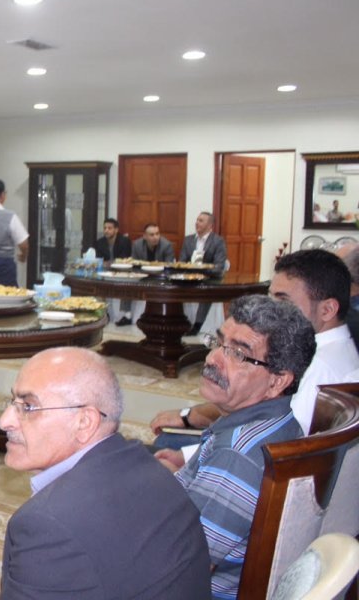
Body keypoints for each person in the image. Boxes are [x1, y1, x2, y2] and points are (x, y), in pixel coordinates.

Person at [0, 347, 210, 600]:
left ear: (84, 422)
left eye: (28, 407)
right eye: (13, 402)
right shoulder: (152, 467)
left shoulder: (46, 524)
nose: (4, 421)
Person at [170, 295, 314, 599]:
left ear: (277, 382)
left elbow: (181, 568)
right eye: (218, 342)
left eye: (238, 354)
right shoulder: (282, 423)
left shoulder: (237, 455)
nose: (212, 359)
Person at [151, 249, 359, 453]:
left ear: (327, 310)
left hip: (248, 456)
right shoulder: (336, 349)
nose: (270, 308)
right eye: (270, 297)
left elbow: (280, 447)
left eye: (283, 301)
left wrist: (186, 457)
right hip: (243, 441)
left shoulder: (317, 365)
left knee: (165, 442)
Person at [180, 211, 228, 335]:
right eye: (197, 220)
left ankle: (197, 325)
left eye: (201, 221)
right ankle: (181, 322)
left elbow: (219, 266)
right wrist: (190, 271)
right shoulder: (188, 240)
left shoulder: (218, 241)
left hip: (210, 277)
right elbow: (182, 262)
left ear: (210, 225)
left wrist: (201, 270)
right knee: (175, 286)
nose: (197, 223)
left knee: (206, 290)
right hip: (190, 277)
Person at [96, 218, 135, 324]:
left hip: (123, 271)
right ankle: (105, 313)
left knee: (126, 283)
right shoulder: (100, 242)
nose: (106, 231)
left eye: (109, 228)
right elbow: (99, 260)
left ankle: (125, 315)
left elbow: (124, 259)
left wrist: (109, 263)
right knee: (98, 283)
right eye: (105, 228)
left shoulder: (124, 241)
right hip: (106, 272)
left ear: (116, 230)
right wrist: (108, 263)